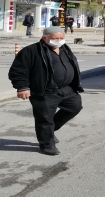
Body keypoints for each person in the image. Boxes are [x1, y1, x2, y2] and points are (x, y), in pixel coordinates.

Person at [8, 26, 83, 155]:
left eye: (61, 38)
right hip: (44, 91)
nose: (59, 41)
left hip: (67, 89)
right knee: (44, 119)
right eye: (55, 38)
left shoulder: (65, 49)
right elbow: (18, 71)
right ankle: (47, 144)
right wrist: (22, 87)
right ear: (44, 38)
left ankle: (50, 130)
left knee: (75, 107)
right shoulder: (31, 51)